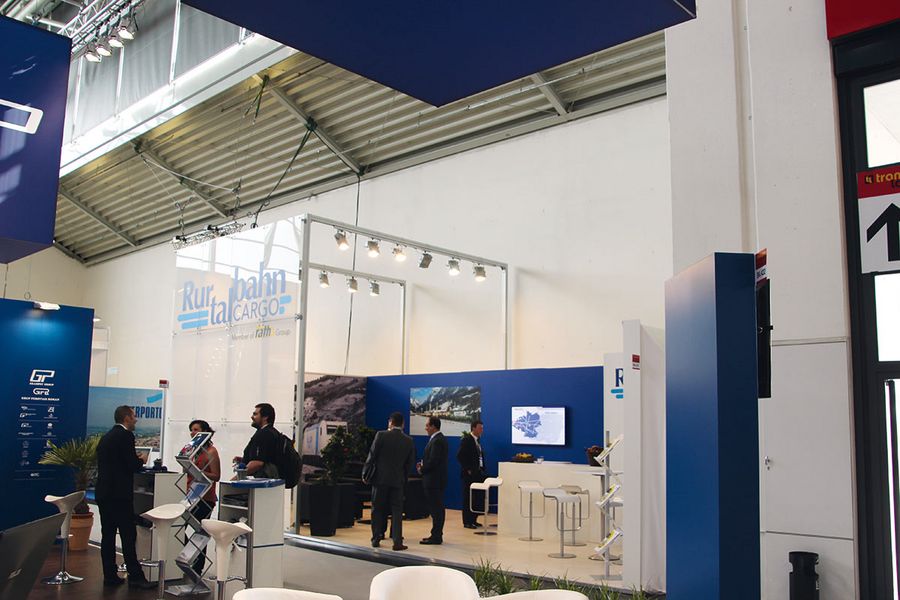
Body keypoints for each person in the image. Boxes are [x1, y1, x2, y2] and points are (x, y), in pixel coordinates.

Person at [95, 405, 154, 588]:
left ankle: (110, 575)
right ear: (127, 418)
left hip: (104, 493)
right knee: (128, 535)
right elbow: (131, 464)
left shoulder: (107, 437)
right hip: (119, 496)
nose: (136, 419)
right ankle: (135, 577)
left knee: (108, 536)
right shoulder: (126, 435)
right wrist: (141, 460)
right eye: (134, 416)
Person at [363, 411, 415, 551]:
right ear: (403, 424)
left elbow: (372, 456)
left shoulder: (381, 435)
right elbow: (409, 464)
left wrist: (365, 473)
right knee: (397, 511)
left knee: (377, 509)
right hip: (397, 481)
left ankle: (376, 539)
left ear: (390, 422)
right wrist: (404, 478)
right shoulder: (408, 440)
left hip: (380, 480)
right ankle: (397, 542)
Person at [186, 420, 220, 575]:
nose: (193, 433)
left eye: (196, 430)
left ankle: (198, 568)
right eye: (191, 430)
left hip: (205, 497)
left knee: (200, 532)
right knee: (181, 528)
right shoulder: (193, 450)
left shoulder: (211, 451)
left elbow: (216, 475)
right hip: (190, 494)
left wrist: (198, 471)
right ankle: (189, 557)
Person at [417, 416, 448, 544]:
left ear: (433, 426)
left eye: (427, 425)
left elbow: (433, 461)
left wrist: (422, 469)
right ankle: (435, 534)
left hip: (434, 480)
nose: (426, 428)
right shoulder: (438, 439)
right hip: (435, 480)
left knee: (436, 509)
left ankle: (436, 536)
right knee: (436, 508)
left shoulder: (437, 441)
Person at [233, 403, 280, 479]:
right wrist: (245, 459)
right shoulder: (272, 432)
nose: (252, 417)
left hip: (264, 480)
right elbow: (265, 457)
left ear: (265, 417)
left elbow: (258, 463)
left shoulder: (263, 434)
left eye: (255, 414)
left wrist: (236, 479)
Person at [457, 419, 486, 529]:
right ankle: (467, 521)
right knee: (468, 498)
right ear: (473, 428)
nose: (481, 430)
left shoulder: (478, 441)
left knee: (476, 497)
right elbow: (460, 456)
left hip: (478, 472)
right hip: (469, 474)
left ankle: (474, 519)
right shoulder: (467, 440)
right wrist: (468, 468)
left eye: (482, 428)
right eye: (480, 428)